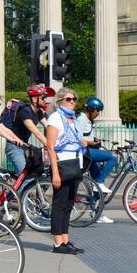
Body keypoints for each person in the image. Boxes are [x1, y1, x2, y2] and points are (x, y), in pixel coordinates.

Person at [45, 87, 86, 254]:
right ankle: (57, 242)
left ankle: (65, 239)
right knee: (59, 204)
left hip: (76, 163)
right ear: (60, 101)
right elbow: (50, 146)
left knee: (69, 204)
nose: (72, 102)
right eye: (69, 99)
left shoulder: (73, 119)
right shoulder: (55, 118)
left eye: (74, 99)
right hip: (62, 164)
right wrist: (55, 172)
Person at [76, 96, 116, 225]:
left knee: (99, 187)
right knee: (112, 157)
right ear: (91, 109)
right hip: (84, 153)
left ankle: (97, 213)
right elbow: (79, 138)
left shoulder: (88, 120)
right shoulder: (81, 119)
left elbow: (87, 137)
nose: (98, 113)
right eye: (97, 110)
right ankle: (98, 183)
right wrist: (91, 143)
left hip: (89, 153)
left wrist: (95, 142)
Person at [7, 85, 54, 177]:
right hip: (14, 147)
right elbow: (36, 132)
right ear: (34, 99)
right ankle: (13, 192)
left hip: (24, 147)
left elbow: (49, 127)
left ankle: (14, 190)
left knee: (37, 174)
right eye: (43, 97)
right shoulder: (25, 111)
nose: (45, 100)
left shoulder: (38, 112)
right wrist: (50, 146)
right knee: (23, 177)